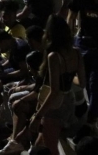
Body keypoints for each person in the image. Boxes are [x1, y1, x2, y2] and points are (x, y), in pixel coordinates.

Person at [29, 16, 85, 155]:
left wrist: (37, 116)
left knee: (50, 147)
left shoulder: (53, 56)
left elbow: (54, 91)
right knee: (40, 144)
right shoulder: (76, 52)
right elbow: (82, 82)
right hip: (69, 101)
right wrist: (67, 77)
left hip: (55, 106)